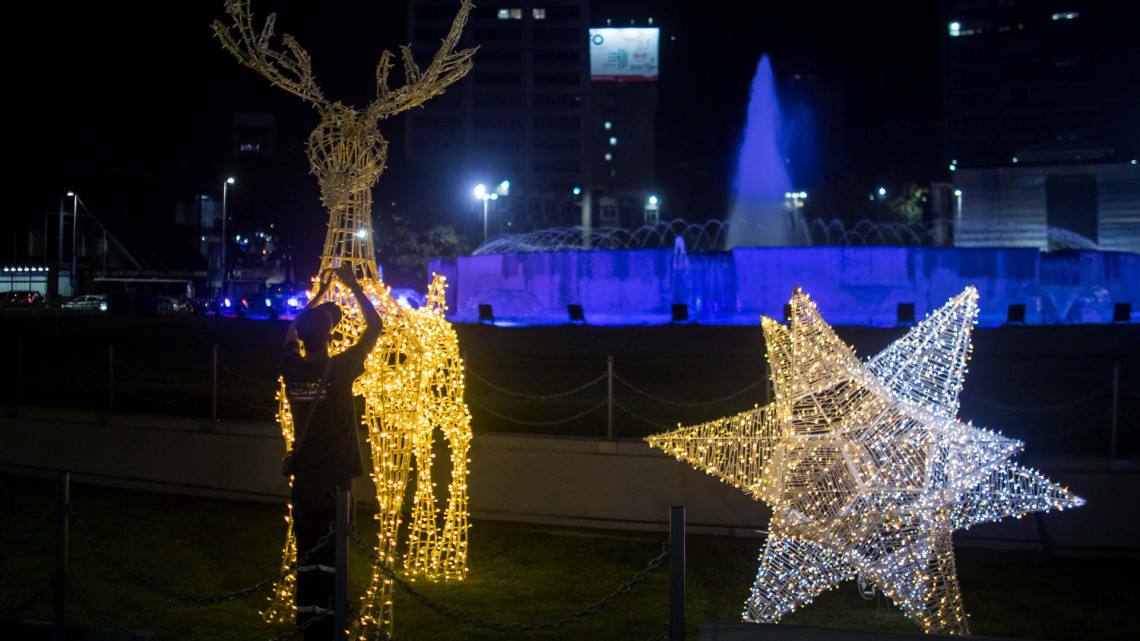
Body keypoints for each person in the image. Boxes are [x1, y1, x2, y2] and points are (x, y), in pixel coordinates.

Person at [280, 264, 381, 640]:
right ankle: (329, 625)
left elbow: (289, 331)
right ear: (331, 335)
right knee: (334, 559)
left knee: (306, 556)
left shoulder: (291, 369)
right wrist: (352, 287)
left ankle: (306, 623)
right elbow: (374, 328)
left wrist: (318, 295)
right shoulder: (339, 369)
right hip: (336, 481)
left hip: (304, 479)